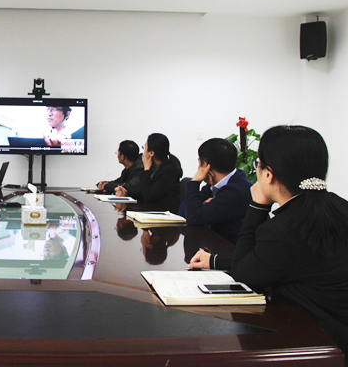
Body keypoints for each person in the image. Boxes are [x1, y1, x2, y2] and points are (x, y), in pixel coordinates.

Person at [188, 125, 348, 355]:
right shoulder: (338, 207)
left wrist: (258, 206)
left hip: (323, 345)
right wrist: (214, 260)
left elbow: (244, 274)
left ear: (268, 174)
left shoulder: (282, 229)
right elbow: (272, 260)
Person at [178, 138, 252, 244]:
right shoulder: (214, 185)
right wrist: (200, 208)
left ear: (205, 165)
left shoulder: (236, 191)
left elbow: (193, 217)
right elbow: (183, 211)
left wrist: (195, 182)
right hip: (218, 247)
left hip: (232, 251)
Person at [115, 133, 182, 213]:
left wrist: (146, 170)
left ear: (151, 153)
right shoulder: (154, 167)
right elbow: (141, 190)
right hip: (153, 211)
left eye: (144, 148)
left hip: (164, 213)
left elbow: (148, 196)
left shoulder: (169, 172)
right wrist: (126, 192)